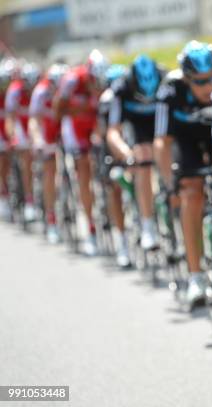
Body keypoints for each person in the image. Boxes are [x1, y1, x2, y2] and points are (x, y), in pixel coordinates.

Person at [154, 41, 212, 309]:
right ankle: (196, 275)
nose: (208, 87)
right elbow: (162, 142)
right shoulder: (170, 90)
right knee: (191, 193)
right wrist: (170, 182)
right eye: (200, 82)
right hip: (185, 142)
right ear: (186, 78)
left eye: (211, 79)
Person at [53, 49, 109, 256]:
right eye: (94, 83)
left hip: (93, 125)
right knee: (84, 168)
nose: (97, 88)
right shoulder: (72, 80)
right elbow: (57, 110)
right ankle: (90, 229)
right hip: (73, 127)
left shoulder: (104, 84)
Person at [106, 55, 164, 251]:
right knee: (143, 158)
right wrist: (126, 153)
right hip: (135, 129)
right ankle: (147, 225)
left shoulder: (165, 81)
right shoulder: (121, 89)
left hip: (159, 126)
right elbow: (113, 131)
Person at [28, 63, 68, 242]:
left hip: (64, 133)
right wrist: (38, 141)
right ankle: (51, 217)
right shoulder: (40, 92)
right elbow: (34, 121)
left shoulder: (68, 91)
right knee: (49, 171)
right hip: (47, 135)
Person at [98, 64, 131, 267]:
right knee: (114, 187)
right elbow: (106, 134)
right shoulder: (106, 101)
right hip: (112, 148)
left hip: (133, 143)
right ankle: (122, 242)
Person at [4, 61, 40, 223]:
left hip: (34, 128)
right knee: (23, 158)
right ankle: (27, 199)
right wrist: (12, 137)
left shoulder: (39, 92)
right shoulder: (14, 91)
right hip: (19, 127)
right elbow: (10, 119)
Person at [0, 59, 14, 220]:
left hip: (11, 129)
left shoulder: (12, 94)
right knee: (2, 159)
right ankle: (3, 193)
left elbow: (12, 119)